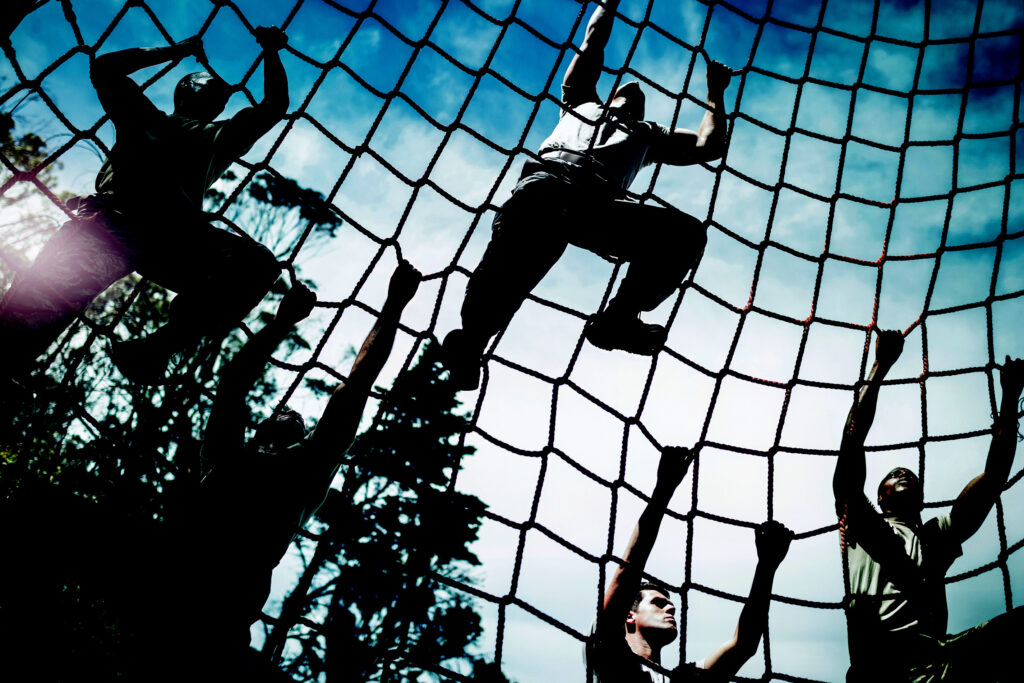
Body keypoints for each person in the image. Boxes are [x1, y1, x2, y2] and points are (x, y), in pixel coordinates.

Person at [441, 0, 733, 390]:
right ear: (609, 97)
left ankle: (620, 319)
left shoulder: (649, 136)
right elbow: (593, 43)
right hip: (543, 189)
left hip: (597, 206)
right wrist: (606, 4)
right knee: (509, 270)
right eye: (624, 91)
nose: (634, 92)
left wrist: (715, 94)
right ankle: (472, 344)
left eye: (639, 98)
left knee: (685, 234)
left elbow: (706, 146)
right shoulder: (580, 102)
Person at [0, 27, 290, 383]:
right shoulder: (170, 124)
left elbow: (274, 108)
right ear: (189, 95)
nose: (216, 97)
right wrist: (183, 51)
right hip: (115, 227)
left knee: (257, 265)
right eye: (210, 90)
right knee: (34, 314)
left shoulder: (216, 136)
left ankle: (155, 349)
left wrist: (180, 51)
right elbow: (105, 68)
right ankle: (7, 362)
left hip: (168, 237)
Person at [181, 261, 420, 669]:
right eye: (284, 411)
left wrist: (394, 305)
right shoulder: (227, 457)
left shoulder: (305, 472)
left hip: (222, 619)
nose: (290, 413)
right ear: (264, 425)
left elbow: (356, 386)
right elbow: (232, 387)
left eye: (298, 418)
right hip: (176, 591)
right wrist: (280, 323)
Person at [833, 329, 1024, 682]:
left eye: (909, 475)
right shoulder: (865, 526)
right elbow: (851, 443)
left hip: (937, 667)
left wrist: (1011, 399)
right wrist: (880, 365)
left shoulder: (936, 536)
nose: (904, 474)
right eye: (893, 474)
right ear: (879, 496)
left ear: (920, 498)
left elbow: (993, 479)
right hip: (878, 671)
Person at [589, 445, 793, 682]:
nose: (671, 608)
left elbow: (744, 646)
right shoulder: (607, 654)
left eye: (668, 604)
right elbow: (627, 572)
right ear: (629, 617)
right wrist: (663, 490)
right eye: (658, 603)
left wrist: (766, 567)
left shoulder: (680, 679)